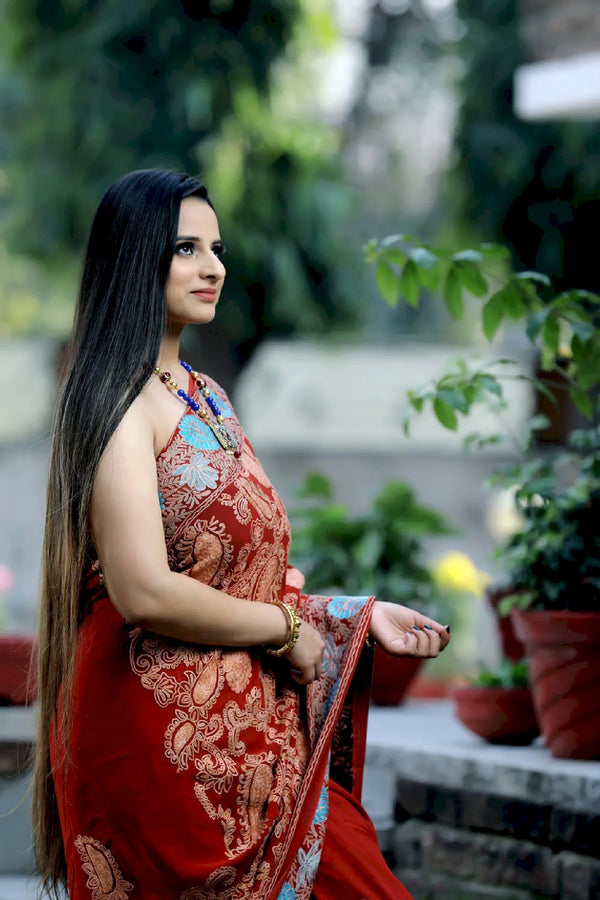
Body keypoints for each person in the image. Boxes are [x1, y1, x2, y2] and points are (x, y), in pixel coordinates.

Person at [34, 168, 450, 900]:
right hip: (159, 745)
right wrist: (291, 633)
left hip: (252, 737)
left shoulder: (205, 394)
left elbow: (243, 582)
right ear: (133, 257)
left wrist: (351, 616)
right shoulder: (114, 402)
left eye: (216, 247)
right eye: (186, 248)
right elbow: (143, 591)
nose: (215, 266)